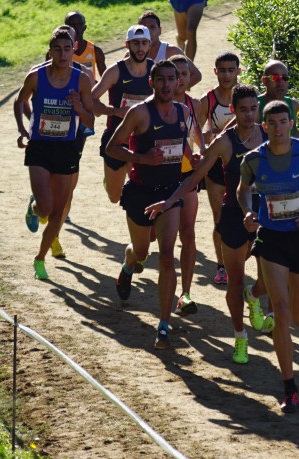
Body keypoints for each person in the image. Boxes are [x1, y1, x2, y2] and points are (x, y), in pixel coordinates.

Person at [146, 84, 273, 364]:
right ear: (234, 111)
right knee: (235, 281)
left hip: (266, 213)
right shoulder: (224, 142)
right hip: (233, 215)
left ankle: (254, 297)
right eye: (243, 110)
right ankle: (240, 337)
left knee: (268, 282)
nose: (250, 114)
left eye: (254, 109)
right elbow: (193, 178)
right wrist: (168, 201)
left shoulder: (267, 134)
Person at [237, 100, 299, 413]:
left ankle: (263, 299)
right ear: (263, 126)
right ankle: (289, 386)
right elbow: (243, 190)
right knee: (280, 312)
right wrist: (249, 212)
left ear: (291, 123)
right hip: (271, 239)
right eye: (272, 123)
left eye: (283, 121)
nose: (278, 128)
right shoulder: (254, 159)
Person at [106, 60, 192, 349]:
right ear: (152, 83)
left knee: (167, 255)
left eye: (173, 79)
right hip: (141, 193)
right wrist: (143, 159)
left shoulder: (182, 112)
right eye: (162, 79)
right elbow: (112, 147)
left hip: (169, 194)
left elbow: (184, 146)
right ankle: (129, 263)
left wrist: (195, 158)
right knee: (142, 251)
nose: (168, 84)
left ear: (179, 82)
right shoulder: (139, 112)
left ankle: (164, 324)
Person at [13, 27, 94, 280]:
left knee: (59, 214)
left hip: (66, 148)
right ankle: (35, 206)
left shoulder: (81, 79)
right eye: (57, 49)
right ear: (50, 52)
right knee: (46, 208)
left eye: (67, 49)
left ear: (73, 51)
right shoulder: (36, 76)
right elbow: (20, 101)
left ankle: (40, 259)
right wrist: (25, 129)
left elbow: (90, 119)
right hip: (39, 146)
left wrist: (78, 106)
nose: (62, 54)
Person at [92, 25, 154, 204]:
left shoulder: (156, 71)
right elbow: (91, 100)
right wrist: (114, 111)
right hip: (116, 138)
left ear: (150, 44)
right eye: (136, 43)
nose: (140, 48)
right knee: (114, 197)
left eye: (144, 43)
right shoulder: (116, 71)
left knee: (144, 190)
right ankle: (112, 181)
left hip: (143, 138)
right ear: (127, 44)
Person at [200, 51, 241, 285]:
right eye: (222, 70)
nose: (226, 75)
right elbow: (197, 130)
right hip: (216, 168)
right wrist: (207, 143)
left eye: (231, 70)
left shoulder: (245, 96)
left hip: (243, 166)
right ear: (215, 72)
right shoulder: (209, 99)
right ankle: (222, 266)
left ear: (238, 71)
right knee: (220, 219)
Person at [170, 54, 205, 315]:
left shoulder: (194, 104)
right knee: (150, 241)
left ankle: (185, 294)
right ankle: (130, 263)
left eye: (185, 74)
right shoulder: (154, 105)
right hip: (156, 178)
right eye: (175, 74)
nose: (181, 79)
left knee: (188, 233)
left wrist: (202, 155)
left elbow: (197, 135)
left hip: (186, 175)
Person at [138, 10, 201, 88]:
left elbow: (196, 75)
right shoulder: (132, 54)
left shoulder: (171, 51)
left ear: (159, 31)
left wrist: (173, 94)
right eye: (144, 29)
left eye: (152, 27)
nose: (149, 32)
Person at [258, 60, 299, 137]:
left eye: (284, 78)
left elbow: (295, 135)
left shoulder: (293, 105)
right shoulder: (254, 106)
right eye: (275, 77)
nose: (280, 82)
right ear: (264, 80)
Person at [65, 11, 106, 78]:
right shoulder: (57, 52)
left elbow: (106, 80)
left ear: (84, 27)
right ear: (65, 28)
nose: (76, 27)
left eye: (79, 24)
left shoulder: (96, 51)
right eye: (72, 24)